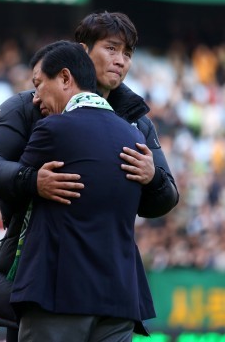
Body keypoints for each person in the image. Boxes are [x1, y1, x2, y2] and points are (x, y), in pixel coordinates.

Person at [0, 11, 179, 340]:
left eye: (128, 53)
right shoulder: (32, 105)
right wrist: (31, 180)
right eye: (111, 48)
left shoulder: (137, 123)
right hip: (43, 277)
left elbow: (166, 198)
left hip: (110, 285)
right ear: (83, 50)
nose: (120, 60)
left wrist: (154, 178)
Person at [9, 39, 147, 342]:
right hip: (120, 298)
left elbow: (13, 191)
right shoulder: (134, 134)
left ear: (65, 78)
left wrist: (33, 182)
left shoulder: (52, 129)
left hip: (59, 295)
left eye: (38, 84)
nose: (35, 99)